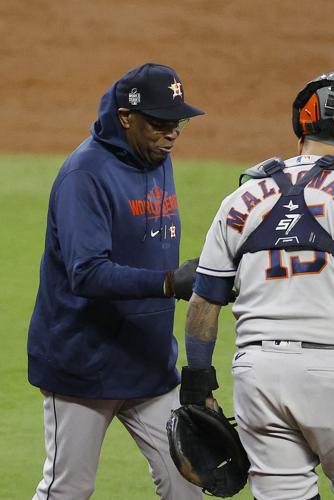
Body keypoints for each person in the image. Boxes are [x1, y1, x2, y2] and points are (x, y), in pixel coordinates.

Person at [177, 71, 334, 500]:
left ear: (300, 125)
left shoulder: (240, 198)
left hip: (258, 375)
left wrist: (196, 383)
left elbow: (204, 301)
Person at [27, 63, 204, 500]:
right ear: (127, 117)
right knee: (69, 489)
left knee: (187, 488)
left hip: (148, 362)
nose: (171, 134)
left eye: (177, 123)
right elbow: (86, 272)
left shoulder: (156, 157)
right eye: (160, 123)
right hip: (83, 364)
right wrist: (167, 283)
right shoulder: (85, 175)